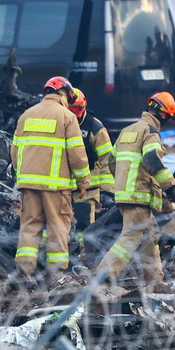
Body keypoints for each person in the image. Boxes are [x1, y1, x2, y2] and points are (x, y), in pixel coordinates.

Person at [11, 76, 90, 283]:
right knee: (57, 227)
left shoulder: (26, 115)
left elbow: (15, 151)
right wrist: (83, 182)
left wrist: (23, 175)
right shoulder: (67, 117)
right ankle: (56, 275)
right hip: (56, 186)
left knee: (29, 227)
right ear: (64, 95)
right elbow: (77, 154)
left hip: (28, 184)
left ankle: (24, 272)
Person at [97, 92, 175, 286]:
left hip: (125, 195)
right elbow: (152, 160)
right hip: (139, 195)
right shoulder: (150, 132)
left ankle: (155, 282)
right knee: (131, 236)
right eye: (169, 118)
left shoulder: (127, 130)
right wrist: (170, 186)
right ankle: (103, 276)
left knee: (148, 239)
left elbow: (111, 161)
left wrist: (122, 184)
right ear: (163, 114)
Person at [68, 88, 114, 254]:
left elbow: (107, 159)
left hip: (87, 189)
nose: (74, 115)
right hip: (62, 186)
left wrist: (108, 191)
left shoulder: (95, 128)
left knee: (84, 225)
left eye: (77, 110)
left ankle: (84, 258)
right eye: (70, 110)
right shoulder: (61, 124)